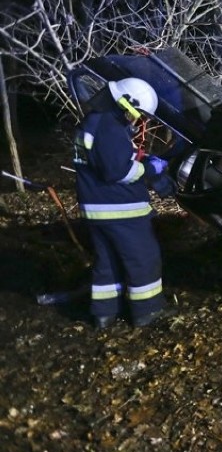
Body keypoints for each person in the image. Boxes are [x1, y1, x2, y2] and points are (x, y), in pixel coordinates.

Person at [73, 77, 176, 329]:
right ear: (128, 104)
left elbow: (110, 157)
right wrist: (149, 170)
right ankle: (147, 311)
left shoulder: (96, 121)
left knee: (107, 261)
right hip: (120, 210)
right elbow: (116, 171)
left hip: (98, 209)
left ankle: (104, 313)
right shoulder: (109, 125)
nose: (139, 120)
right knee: (143, 257)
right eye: (139, 114)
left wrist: (140, 158)